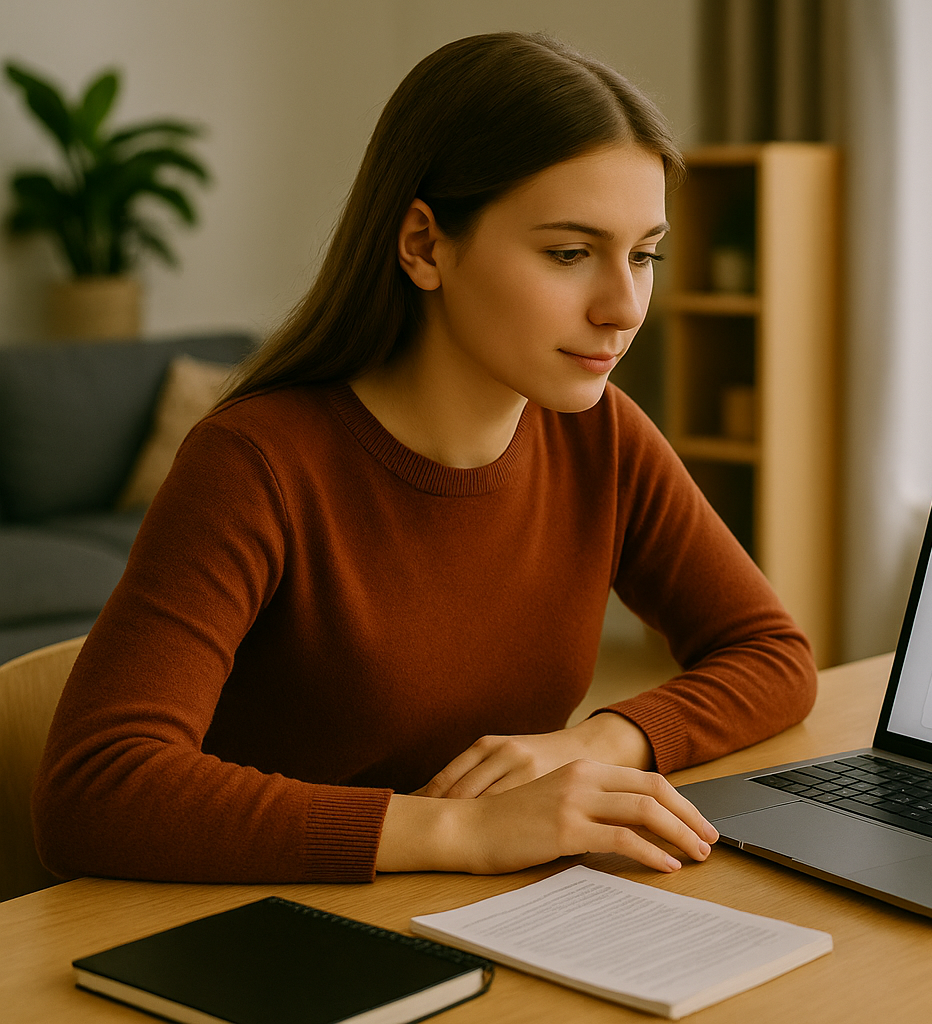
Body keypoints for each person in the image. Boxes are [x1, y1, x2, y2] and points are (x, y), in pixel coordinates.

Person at [32, 33, 817, 885]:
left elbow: (773, 655)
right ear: (423, 245)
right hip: (270, 930)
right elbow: (96, 790)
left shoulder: (605, 437)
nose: (625, 307)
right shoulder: (254, 463)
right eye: (569, 253)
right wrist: (465, 834)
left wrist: (597, 739)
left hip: (492, 913)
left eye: (644, 255)